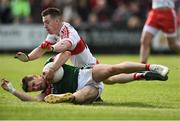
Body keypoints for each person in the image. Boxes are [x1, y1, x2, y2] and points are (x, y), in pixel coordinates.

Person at [1, 53, 169, 104]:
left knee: (112, 70)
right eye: (34, 88)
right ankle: (67, 97)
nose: (36, 87)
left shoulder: (47, 66)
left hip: (86, 73)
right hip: (88, 88)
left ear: (37, 76)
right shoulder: (46, 93)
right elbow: (31, 100)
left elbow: (66, 53)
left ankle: (149, 68)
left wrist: (53, 67)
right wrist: (12, 90)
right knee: (80, 97)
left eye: (34, 83)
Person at [14, 7, 99, 80]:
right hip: (81, 70)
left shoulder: (68, 31)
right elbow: (41, 48)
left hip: (92, 66)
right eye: (44, 22)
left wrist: (52, 48)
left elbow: (65, 45)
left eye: (47, 22)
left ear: (57, 21)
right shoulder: (53, 33)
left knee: (109, 79)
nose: (45, 25)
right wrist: (28, 58)